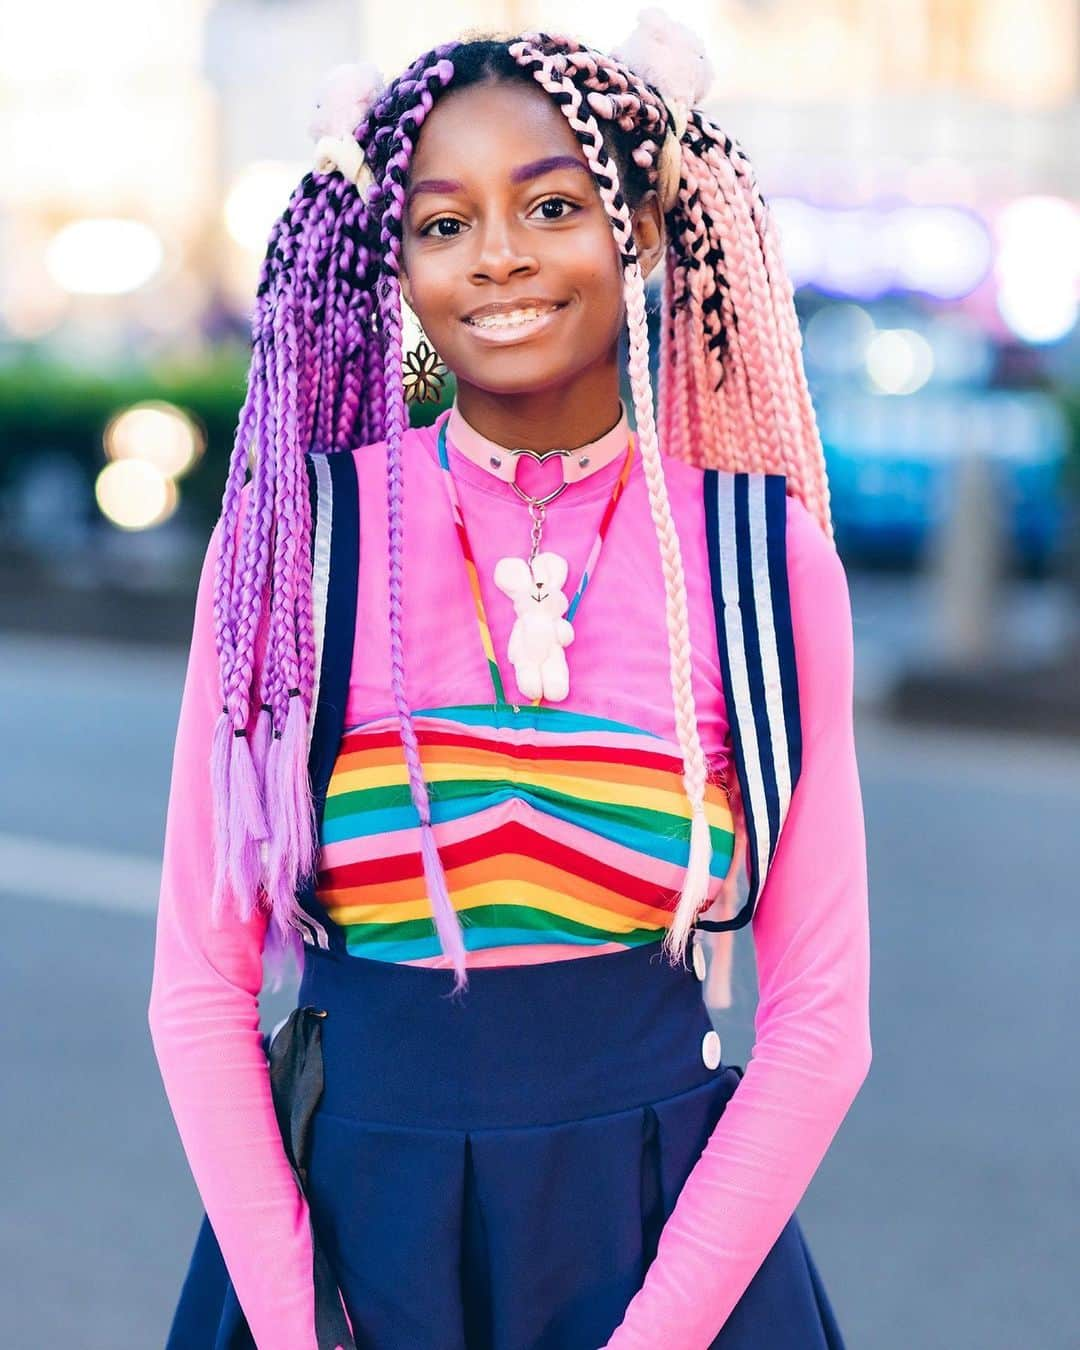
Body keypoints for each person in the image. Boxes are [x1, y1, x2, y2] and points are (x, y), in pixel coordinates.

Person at [147, 11, 872, 1349]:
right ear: (396, 260)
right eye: (441, 222)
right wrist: (306, 1327)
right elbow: (197, 991)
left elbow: (823, 1018)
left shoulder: (762, 558)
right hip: (349, 1257)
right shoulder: (294, 548)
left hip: (671, 1257)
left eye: (551, 202)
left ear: (641, 227)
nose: (497, 256)